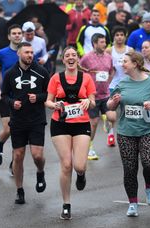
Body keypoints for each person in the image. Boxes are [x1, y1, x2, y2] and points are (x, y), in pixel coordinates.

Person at [107, 51, 150, 217]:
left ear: (135, 63)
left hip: (149, 130)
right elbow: (110, 106)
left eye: (125, 61)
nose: (122, 64)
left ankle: (149, 187)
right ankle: (133, 203)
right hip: (126, 132)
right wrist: (114, 102)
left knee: (149, 163)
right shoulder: (122, 83)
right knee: (129, 169)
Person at [45, 46, 96, 219]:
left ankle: (81, 175)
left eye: (74, 55)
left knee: (79, 165)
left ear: (78, 58)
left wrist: (89, 102)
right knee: (66, 165)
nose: (71, 57)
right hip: (60, 123)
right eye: (67, 55)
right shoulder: (56, 78)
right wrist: (55, 105)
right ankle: (66, 204)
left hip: (81, 123)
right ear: (64, 59)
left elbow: (93, 100)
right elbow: (48, 101)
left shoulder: (86, 78)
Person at [1, 42, 50, 204]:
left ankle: (40, 171)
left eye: (31, 52)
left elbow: (50, 94)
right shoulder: (10, 74)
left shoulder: (42, 72)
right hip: (18, 121)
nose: (30, 55)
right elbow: (4, 95)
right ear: (19, 54)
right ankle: (20, 191)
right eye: (26, 52)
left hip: (36, 120)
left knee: (37, 155)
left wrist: (39, 98)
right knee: (18, 155)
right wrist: (12, 103)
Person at [80, 33, 115, 160]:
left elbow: (111, 71)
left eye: (105, 42)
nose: (104, 44)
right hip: (92, 96)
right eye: (101, 42)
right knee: (93, 123)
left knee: (112, 117)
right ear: (94, 43)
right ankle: (90, 148)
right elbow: (80, 71)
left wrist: (109, 82)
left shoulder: (108, 57)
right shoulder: (86, 58)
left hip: (106, 93)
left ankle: (106, 121)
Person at [0, 24, 23, 167]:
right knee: (9, 129)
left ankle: (13, 163)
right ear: (9, 36)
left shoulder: (26, 53)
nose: (17, 35)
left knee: (18, 132)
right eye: (14, 33)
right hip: (5, 96)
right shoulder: (1, 53)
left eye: (19, 33)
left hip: (21, 97)